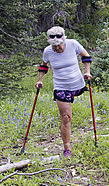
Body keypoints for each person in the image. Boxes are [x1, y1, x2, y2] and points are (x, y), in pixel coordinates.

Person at [35, 26, 92, 157]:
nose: (57, 49)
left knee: (70, 115)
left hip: (77, 83)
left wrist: (87, 72)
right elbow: (43, 66)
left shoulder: (73, 44)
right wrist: (40, 80)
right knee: (66, 117)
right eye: (54, 46)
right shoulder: (48, 51)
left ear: (63, 41)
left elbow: (86, 57)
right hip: (61, 86)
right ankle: (67, 148)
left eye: (59, 45)